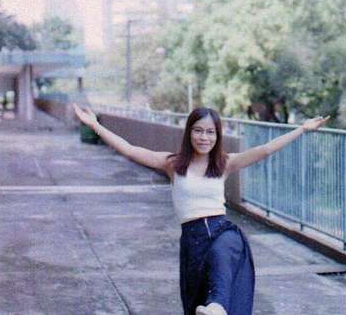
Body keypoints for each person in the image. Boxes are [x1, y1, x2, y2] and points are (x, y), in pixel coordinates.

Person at [73, 104, 329, 315]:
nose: (204, 137)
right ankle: (212, 307)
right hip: (193, 241)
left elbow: (265, 150)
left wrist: (302, 129)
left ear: (217, 136)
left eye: (210, 132)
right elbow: (130, 150)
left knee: (221, 255)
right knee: (196, 301)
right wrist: (95, 125)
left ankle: (217, 306)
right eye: (198, 131)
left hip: (223, 231)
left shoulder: (224, 163)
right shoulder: (173, 164)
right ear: (189, 133)